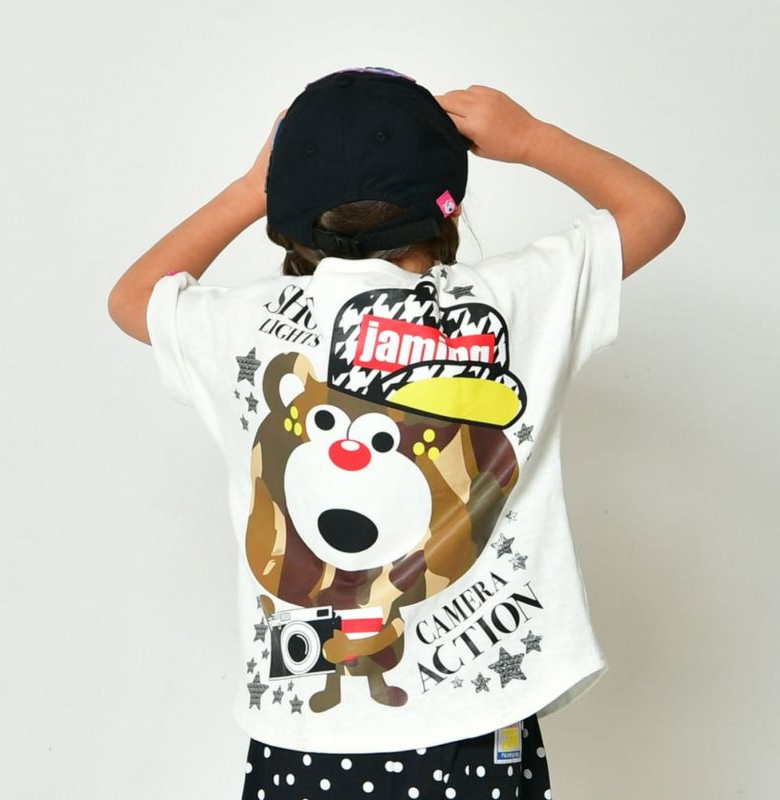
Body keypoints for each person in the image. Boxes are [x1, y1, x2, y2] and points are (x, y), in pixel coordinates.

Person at [108, 66, 684, 800]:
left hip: (303, 740)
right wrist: (531, 139)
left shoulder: (246, 328)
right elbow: (654, 212)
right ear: (447, 208)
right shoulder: (507, 304)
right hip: (477, 725)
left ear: (288, 218)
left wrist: (253, 187)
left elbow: (132, 297)